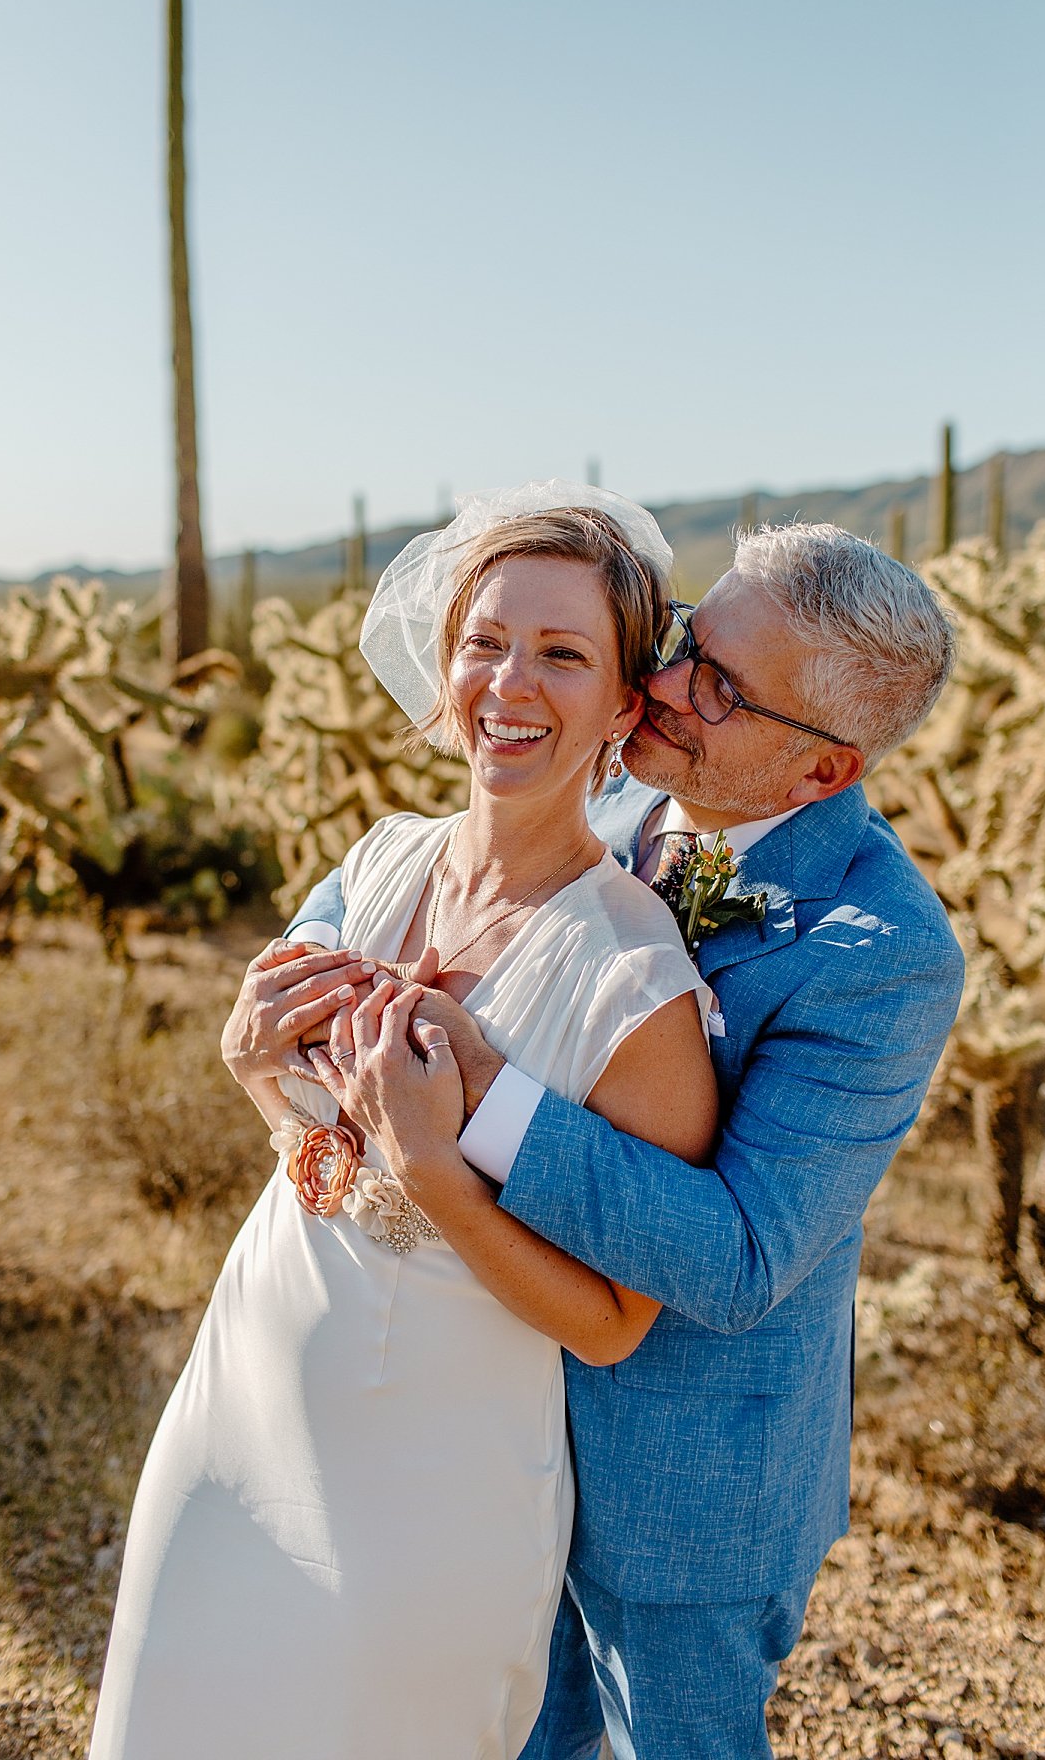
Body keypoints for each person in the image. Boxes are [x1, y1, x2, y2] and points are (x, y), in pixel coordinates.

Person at [286, 521, 966, 1759]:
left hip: (682, 1484)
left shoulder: (884, 956)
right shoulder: (621, 766)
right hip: (487, 1414)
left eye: (719, 686)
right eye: (689, 641)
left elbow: (744, 1258)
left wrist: (486, 1095)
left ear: (824, 773)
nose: (662, 685)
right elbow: (424, 882)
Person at [87, 483, 720, 1760]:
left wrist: (437, 1171)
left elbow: (611, 1325)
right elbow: (316, 1145)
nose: (512, 683)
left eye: (563, 653)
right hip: (242, 1400)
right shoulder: (380, 860)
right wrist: (256, 1072)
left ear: (620, 701)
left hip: (436, 1476)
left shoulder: (637, 986)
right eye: (486, 640)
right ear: (445, 662)